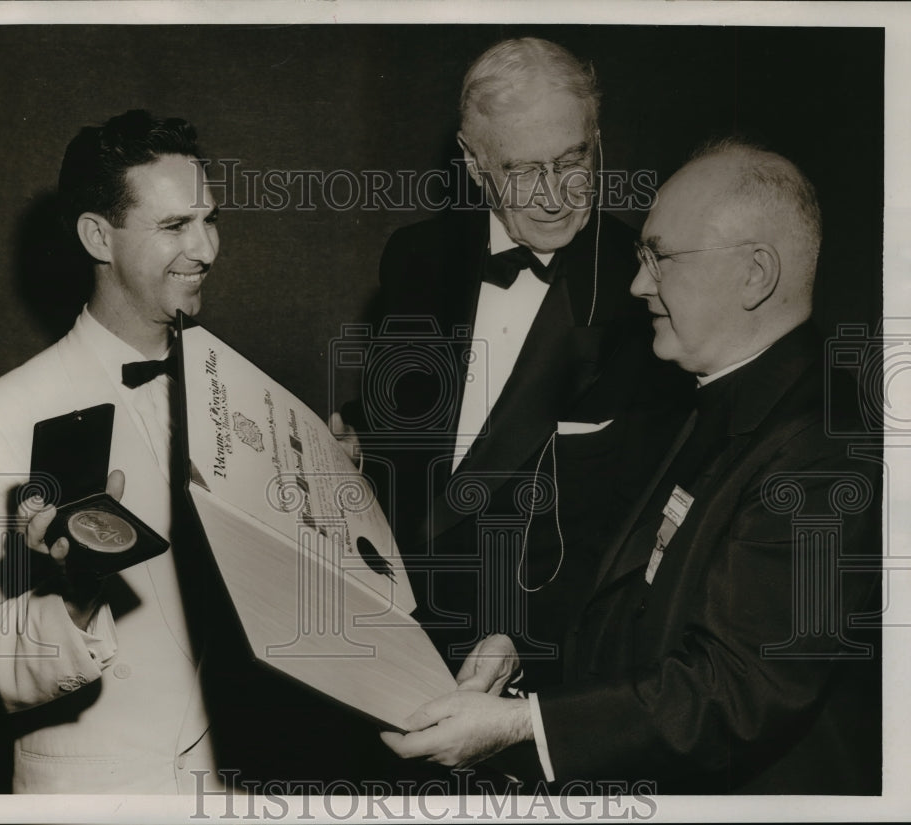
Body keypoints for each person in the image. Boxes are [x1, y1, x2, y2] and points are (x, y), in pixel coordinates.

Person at [380, 139, 882, 794]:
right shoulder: (715, 395)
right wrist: (521, 647)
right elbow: (637, 595)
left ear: (755, 274)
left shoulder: (826, 446)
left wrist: (524, 724)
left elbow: (736, 692)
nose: (639, 282)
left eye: (660, 258)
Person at [336, 37, 684, 679]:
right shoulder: (414, 258)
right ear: (473, 162)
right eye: (523, 170)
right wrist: (356, 435)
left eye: (573, 159)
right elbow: (413, 434)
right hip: (384, 624)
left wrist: (525, 641)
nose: (555, 195)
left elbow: (646, 523)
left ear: (596, 139)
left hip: (534, 653)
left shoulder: (653, 295)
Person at [0, 110, 226, 793]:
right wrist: (74, 598)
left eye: (210, 219)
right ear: (99, 235)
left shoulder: (240, 396)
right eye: (175, 225)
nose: (207, 248)